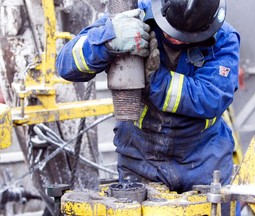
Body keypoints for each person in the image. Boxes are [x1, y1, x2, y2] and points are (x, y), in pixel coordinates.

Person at [56, 0, 240, 214]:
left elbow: (210, 99)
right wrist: (106, 41)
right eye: (170, 30)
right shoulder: (132, 16)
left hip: (204, 159)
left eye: (185, 36)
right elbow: (66, 65)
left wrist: (154, 80)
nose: (175, 39)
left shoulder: (224, 38)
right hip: (140, 157)